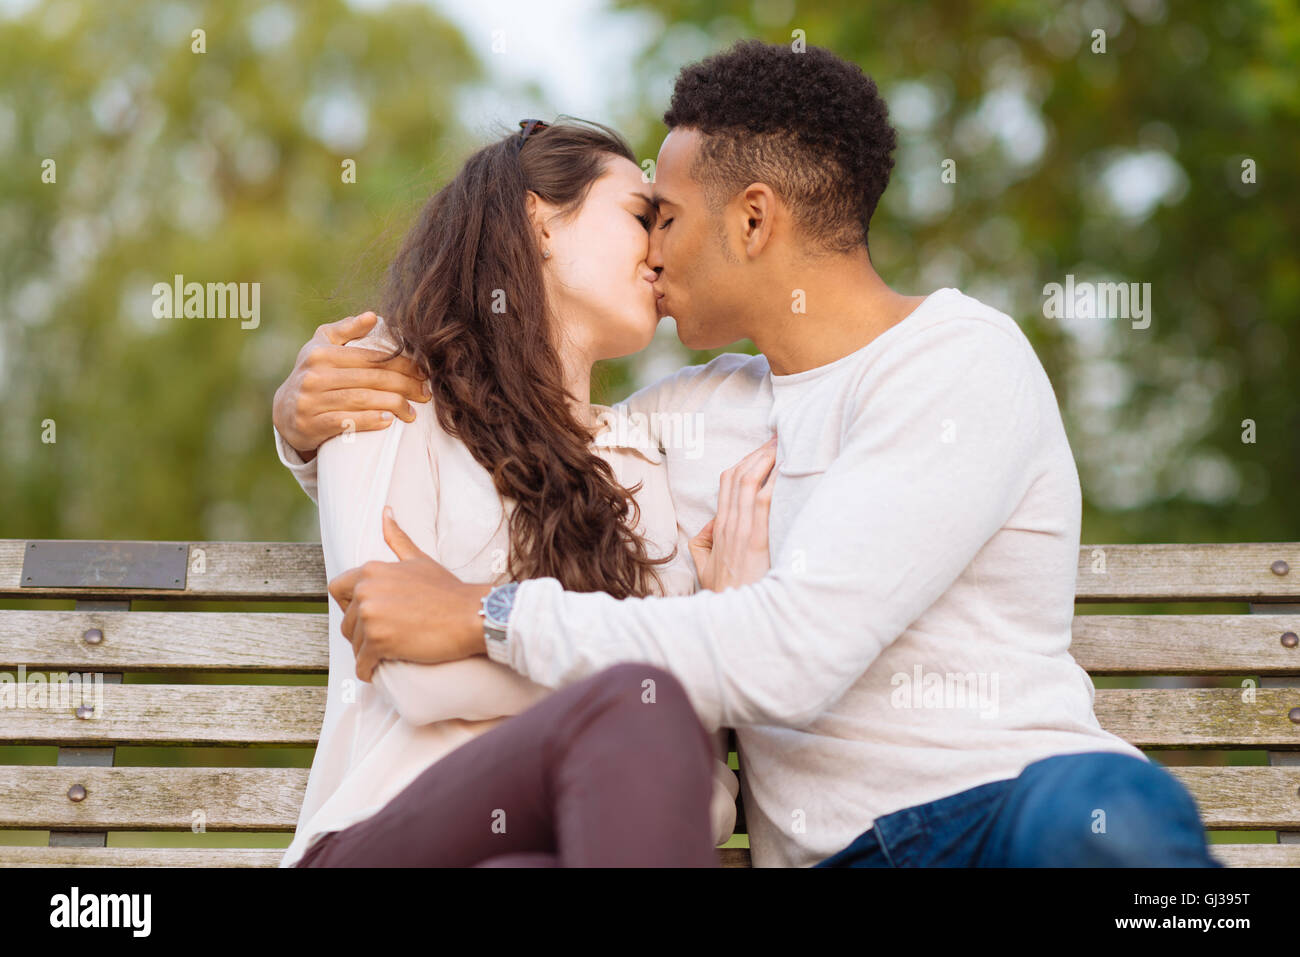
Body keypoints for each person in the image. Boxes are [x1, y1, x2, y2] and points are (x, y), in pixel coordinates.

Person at [276, 41, 1220, 868]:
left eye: (668, 218)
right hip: (835, 855)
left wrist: (491, 616)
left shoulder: (957, 363)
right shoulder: (683, 420)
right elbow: (516, 429)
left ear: (755, 220)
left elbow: (789, 649)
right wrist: (302, 425)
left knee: (1111, 822)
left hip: (1006, 813)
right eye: (641, 220)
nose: (655, 252)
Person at [276, 118, 768, 868]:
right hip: (386, 835)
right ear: (540, 219)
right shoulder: (386, 389)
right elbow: (413, 672)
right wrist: (668, 674)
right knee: (641, 705)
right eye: (642, 216)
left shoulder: (646, 456)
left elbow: (700, 759)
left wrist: (698, 648)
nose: (662, 250)